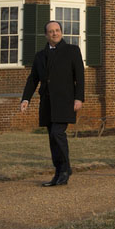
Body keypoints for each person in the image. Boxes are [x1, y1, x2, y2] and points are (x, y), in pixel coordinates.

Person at [20, 20, 84, 187]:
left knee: (57, 134)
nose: (55, 33)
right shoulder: (40, 56)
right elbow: (33, 79)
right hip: (47, 103)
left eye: (57, 30)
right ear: (46, 35)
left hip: (65, 101)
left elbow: (80, 77)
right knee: (52, 138)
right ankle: (59, 171)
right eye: (51, 31)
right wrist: (26, 99)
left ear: (61, 32)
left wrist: (79, 98)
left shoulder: (72, 50)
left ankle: (64, 170)